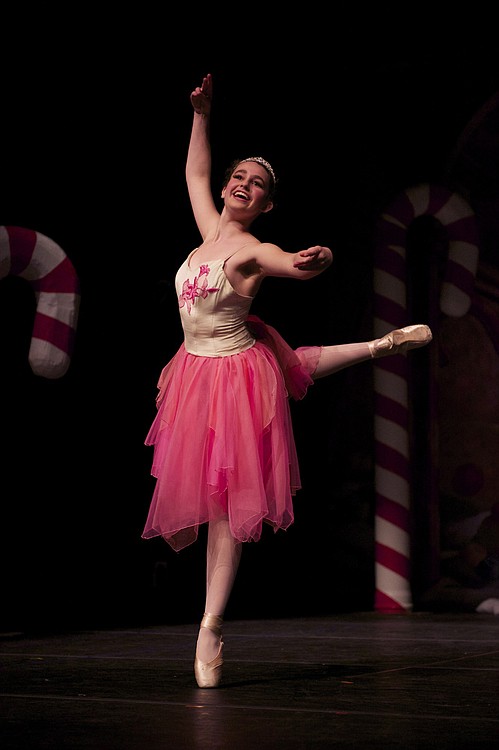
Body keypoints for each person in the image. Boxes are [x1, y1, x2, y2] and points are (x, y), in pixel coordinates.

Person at [142, 73, 432, 688]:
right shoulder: (206, 234)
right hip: (193, 373)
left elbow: (289, 262)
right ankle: (381, 345)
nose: (244, 185)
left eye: (259, 185)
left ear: (266, 205)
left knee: (226, 509)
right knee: (296, 363)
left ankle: (210, 627)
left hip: (231, 376)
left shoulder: (250, 248)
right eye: (239, 177)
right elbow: (194, 175)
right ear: (227, 189)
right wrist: (202, 115)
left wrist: (312, 261)